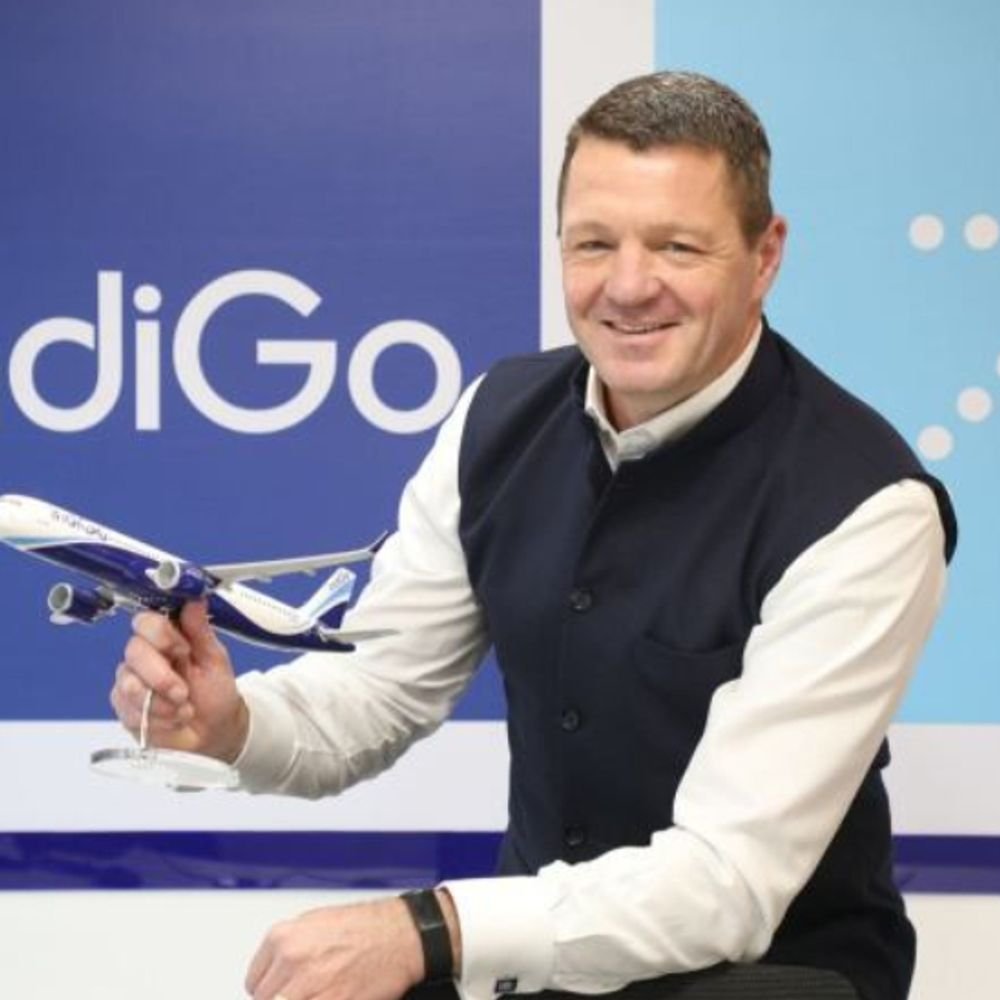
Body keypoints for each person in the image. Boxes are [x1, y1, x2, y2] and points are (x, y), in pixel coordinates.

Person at [110, 71, 956, 1000]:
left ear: (765, 256)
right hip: (535, 962)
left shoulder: (867, 508)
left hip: (771, 973)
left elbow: (726, 882)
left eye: (677, 246)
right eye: (594, 243)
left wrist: (429, 930)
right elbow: (380, 686)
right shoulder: (497, 418)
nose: (628, 286)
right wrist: (231, 723)